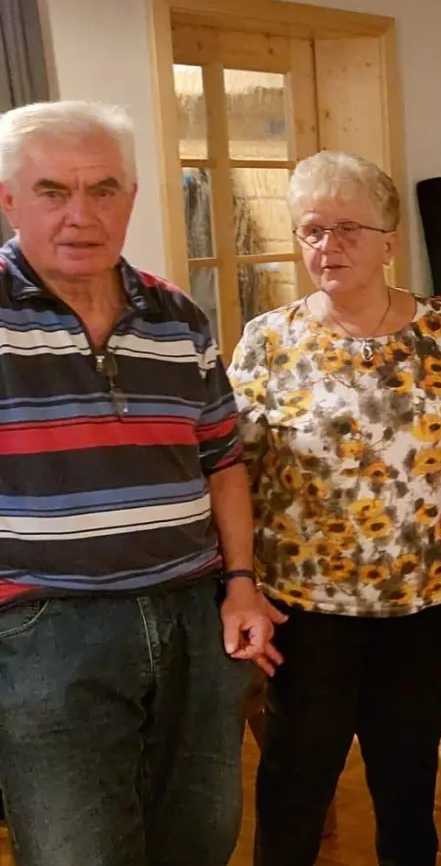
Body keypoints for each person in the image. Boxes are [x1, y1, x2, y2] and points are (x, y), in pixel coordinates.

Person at [0, 99, 280, 865]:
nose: (80, 214)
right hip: (43, 629)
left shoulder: (178, 318)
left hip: (193, 615)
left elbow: (221, 460)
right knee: (77, 852)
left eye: (104, 190)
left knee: (198, 840)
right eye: (54, 191)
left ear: (131, 198)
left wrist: (243, 582)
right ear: (9, 199)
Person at [228, 150, 441, 866]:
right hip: (307, 606)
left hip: (421, 608)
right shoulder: (270, 341)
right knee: (296, 786)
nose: (327, 247)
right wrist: (231, 581)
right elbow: (231, 469)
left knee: (406, 781)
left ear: (390, 242)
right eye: (312, 230)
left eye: (348, 230)